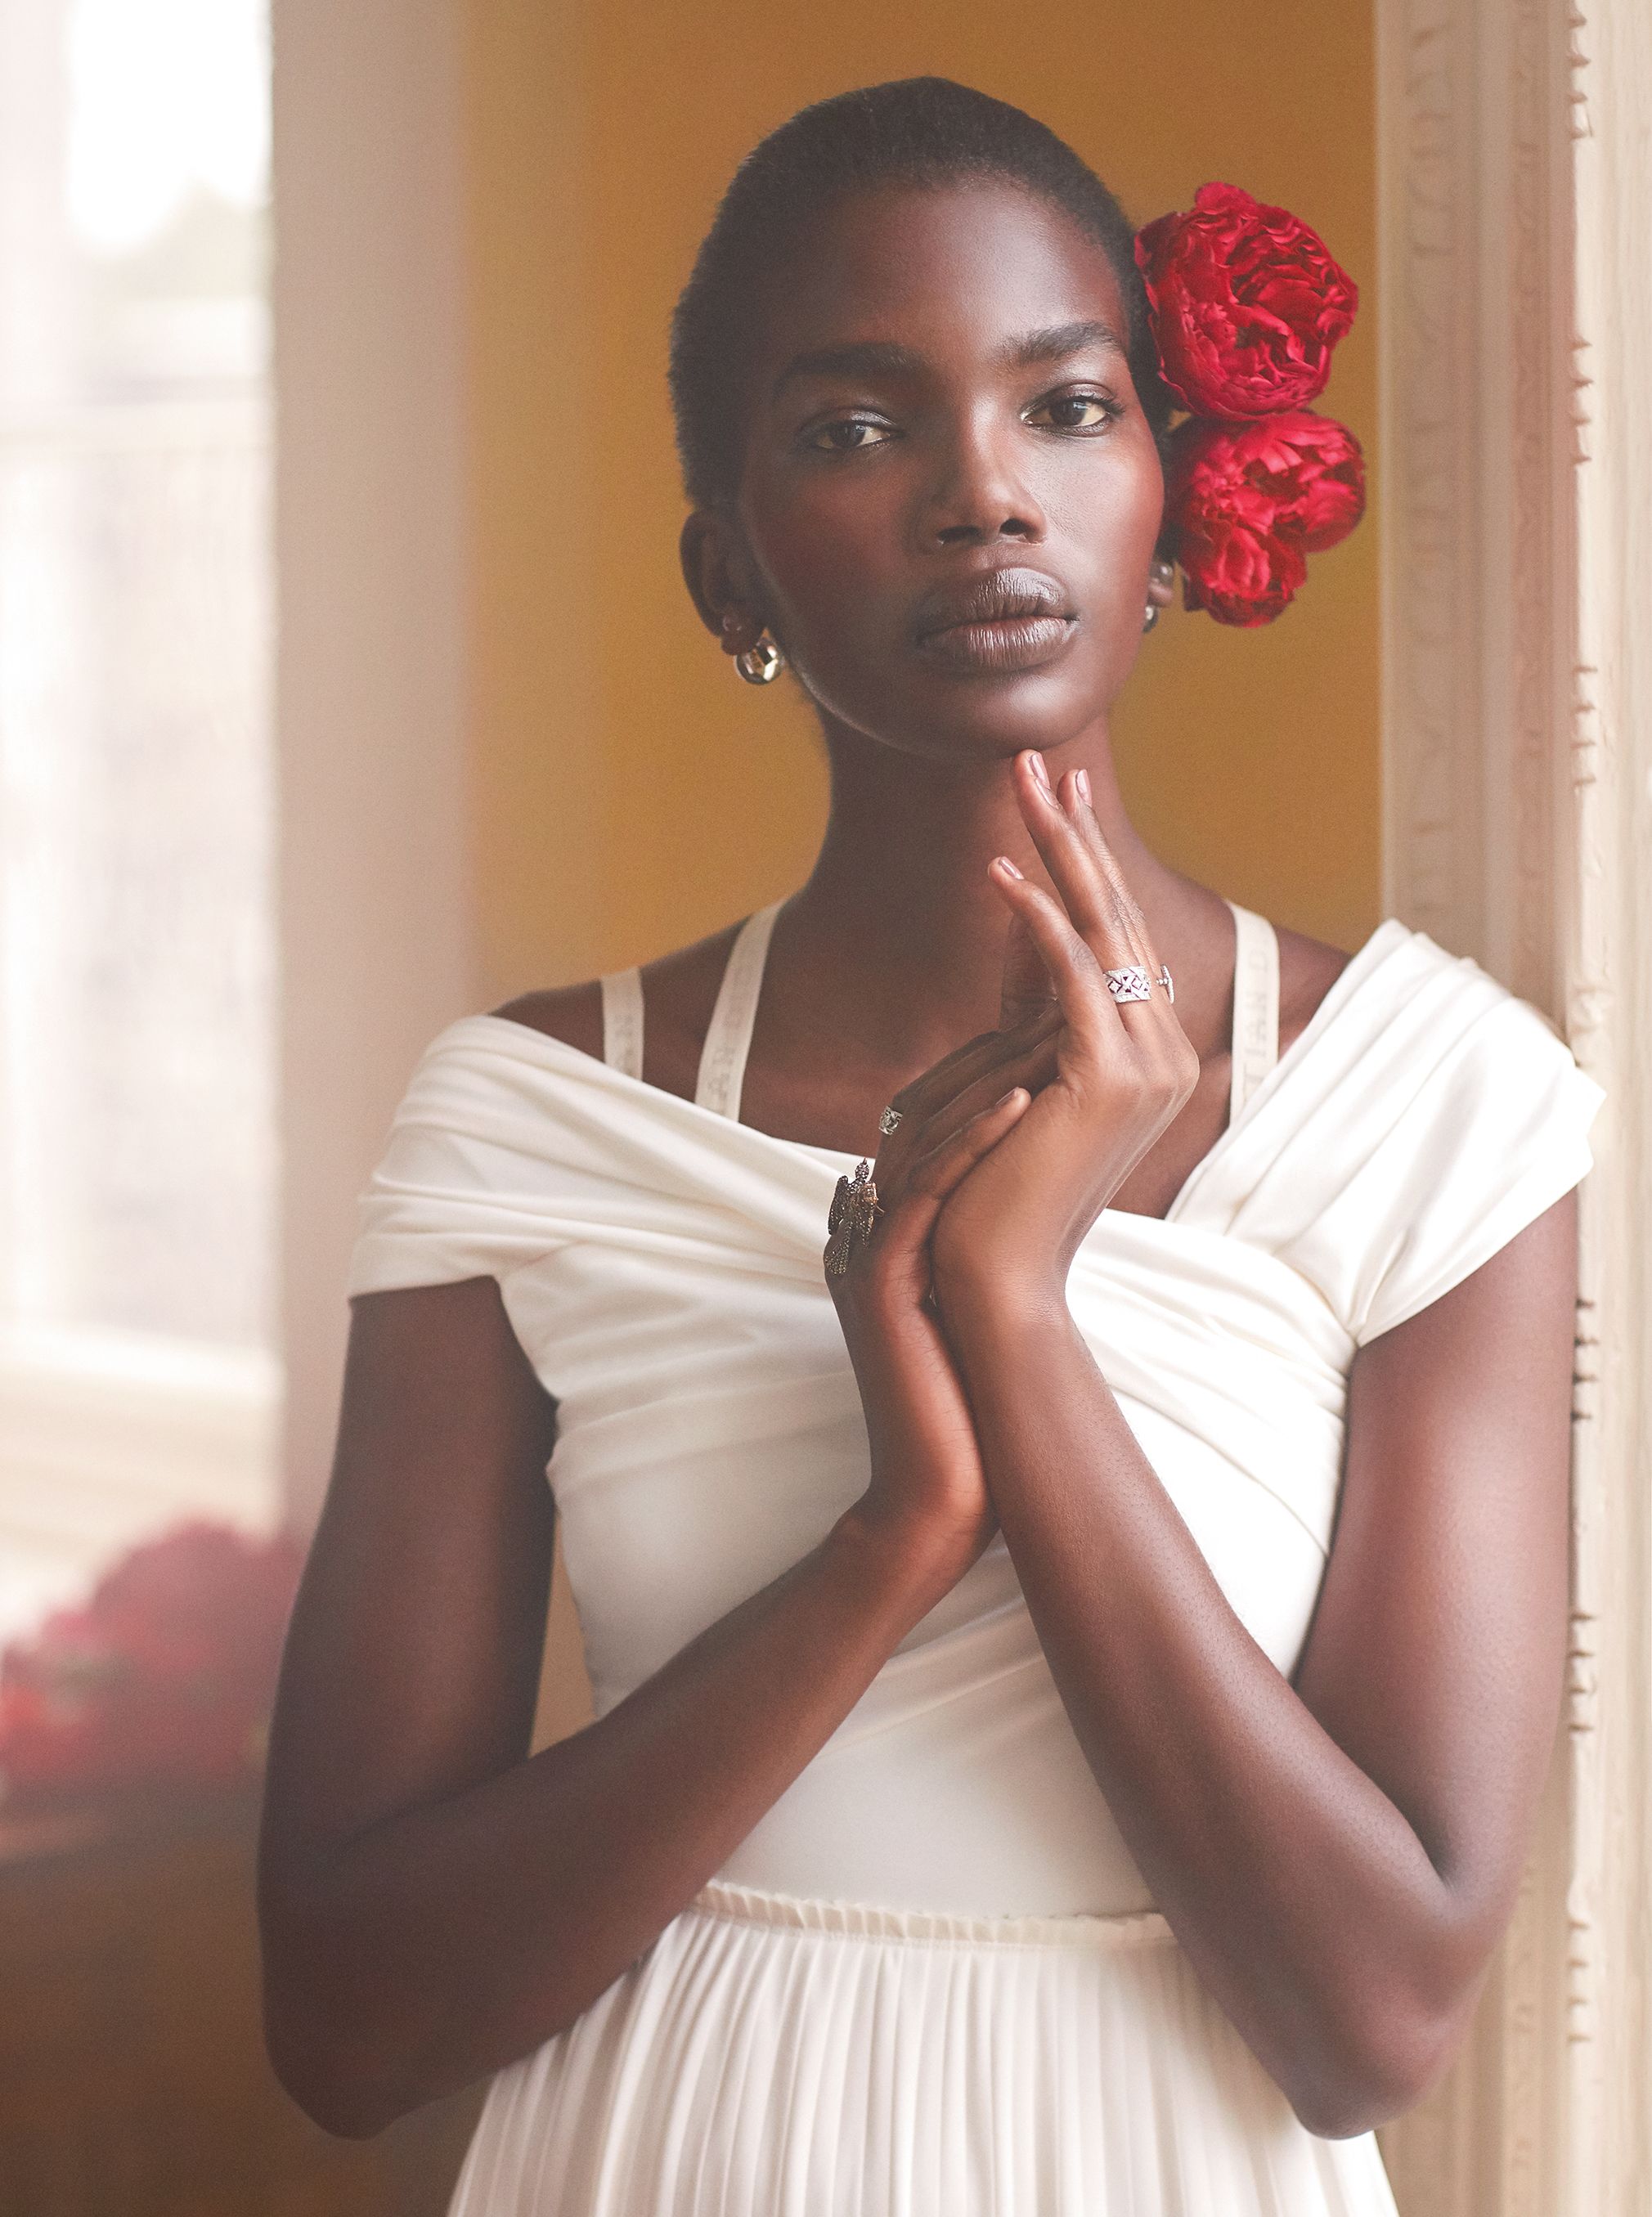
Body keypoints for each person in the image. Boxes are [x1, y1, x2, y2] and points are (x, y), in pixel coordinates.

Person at [257, 78, 1605, 2217]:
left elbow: (1366, 2015)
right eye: (853, 429)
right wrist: (895, 1531)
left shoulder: (1430, 1105)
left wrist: (1010, 1315)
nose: (982, 493)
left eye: (1065, 406)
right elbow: (347, 2024)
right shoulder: (531, 1119)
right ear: (733, 574)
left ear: (1168, 491)